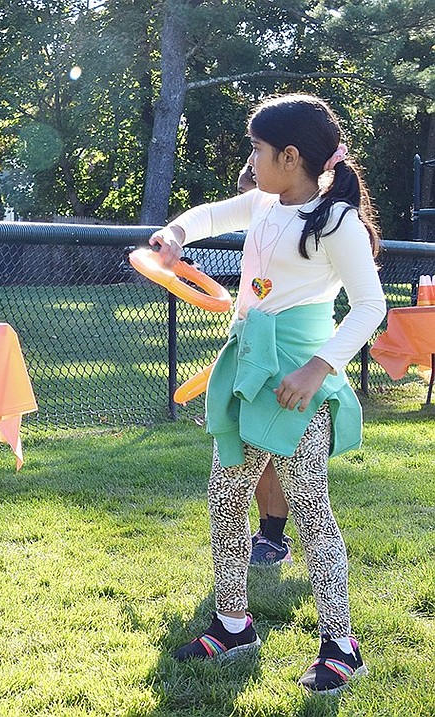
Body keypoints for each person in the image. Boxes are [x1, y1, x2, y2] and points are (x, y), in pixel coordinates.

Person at [151, 94, 386, 694]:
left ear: (290, 155)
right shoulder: (263, 201)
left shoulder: (337, 224)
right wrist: (175, 233)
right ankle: (233, 624)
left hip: (295, 381)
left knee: (310, 508)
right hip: (248, 368)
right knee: (225, 495)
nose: (249, 160)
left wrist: (317, 370)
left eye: (257, 149)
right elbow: (207, 216)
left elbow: (369, 307)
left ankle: (341, 645)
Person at [237, 162, 295, 567]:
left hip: (289, 351)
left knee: (279, 454)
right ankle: (265, 532)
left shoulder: (316, 219)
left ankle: (274, 537)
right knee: (252, 446)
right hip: (253, 346)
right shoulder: (261, 212)